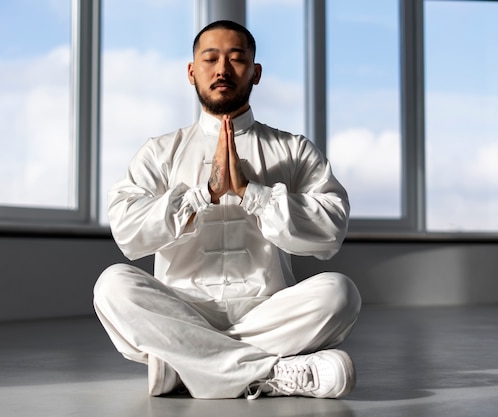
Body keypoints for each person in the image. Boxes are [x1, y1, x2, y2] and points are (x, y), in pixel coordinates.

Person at [93, 19, 361, 400]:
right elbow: (127, 233)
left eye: (237, 59)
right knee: (112, 286)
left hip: (267, 314)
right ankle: (269, 372)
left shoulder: (294, 150)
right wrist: (201, 196)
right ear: (191, 72)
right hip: (179, 311)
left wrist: (253, 193)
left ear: (256, 72)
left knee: (340, 294)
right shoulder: (160, 151)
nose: (222, 69)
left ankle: (184, 360)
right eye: (210, 59)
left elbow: (330, 230)